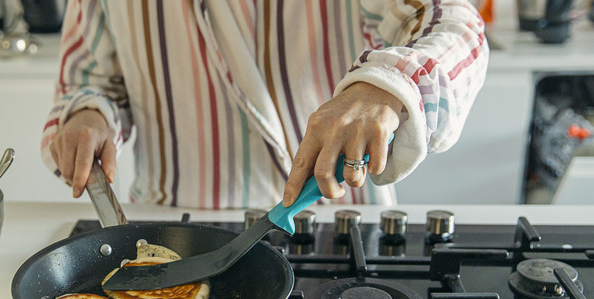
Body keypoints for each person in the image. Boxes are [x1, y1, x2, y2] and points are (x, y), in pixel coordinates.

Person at [40, 0, 488, 209]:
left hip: (337, 218)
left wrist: (386, 86)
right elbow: (91, 80)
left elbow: (454, 21)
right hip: (173, 223)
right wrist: (88, 115)